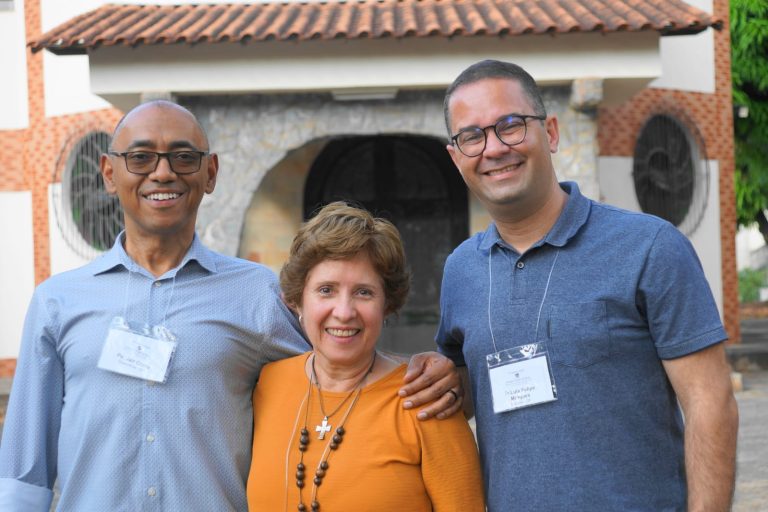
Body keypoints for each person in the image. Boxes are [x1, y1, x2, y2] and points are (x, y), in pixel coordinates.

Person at [0, 100, 461, 511]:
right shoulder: (57, 301)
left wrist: (420, 371)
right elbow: (24, 470)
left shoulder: (255, 293)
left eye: (183, 157)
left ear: (210, 173)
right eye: (140, 157)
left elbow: (338, 360)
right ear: (108, 173)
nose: (162, 173)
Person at [437, 60, 739, 511]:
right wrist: (432, 378)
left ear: (551, 132)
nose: (494, 148)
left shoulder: (650, 247)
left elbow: (709, 403)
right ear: (456, 155)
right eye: (472, 136)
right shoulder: (460, 269)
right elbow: (463, 389)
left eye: (511, 125)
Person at [246, 202, 485, 511]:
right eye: (326, 290)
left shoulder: (426, 399)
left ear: (387, 306)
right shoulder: (268, 383)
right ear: (296, 301)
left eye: (363, 292)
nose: (344, 312)